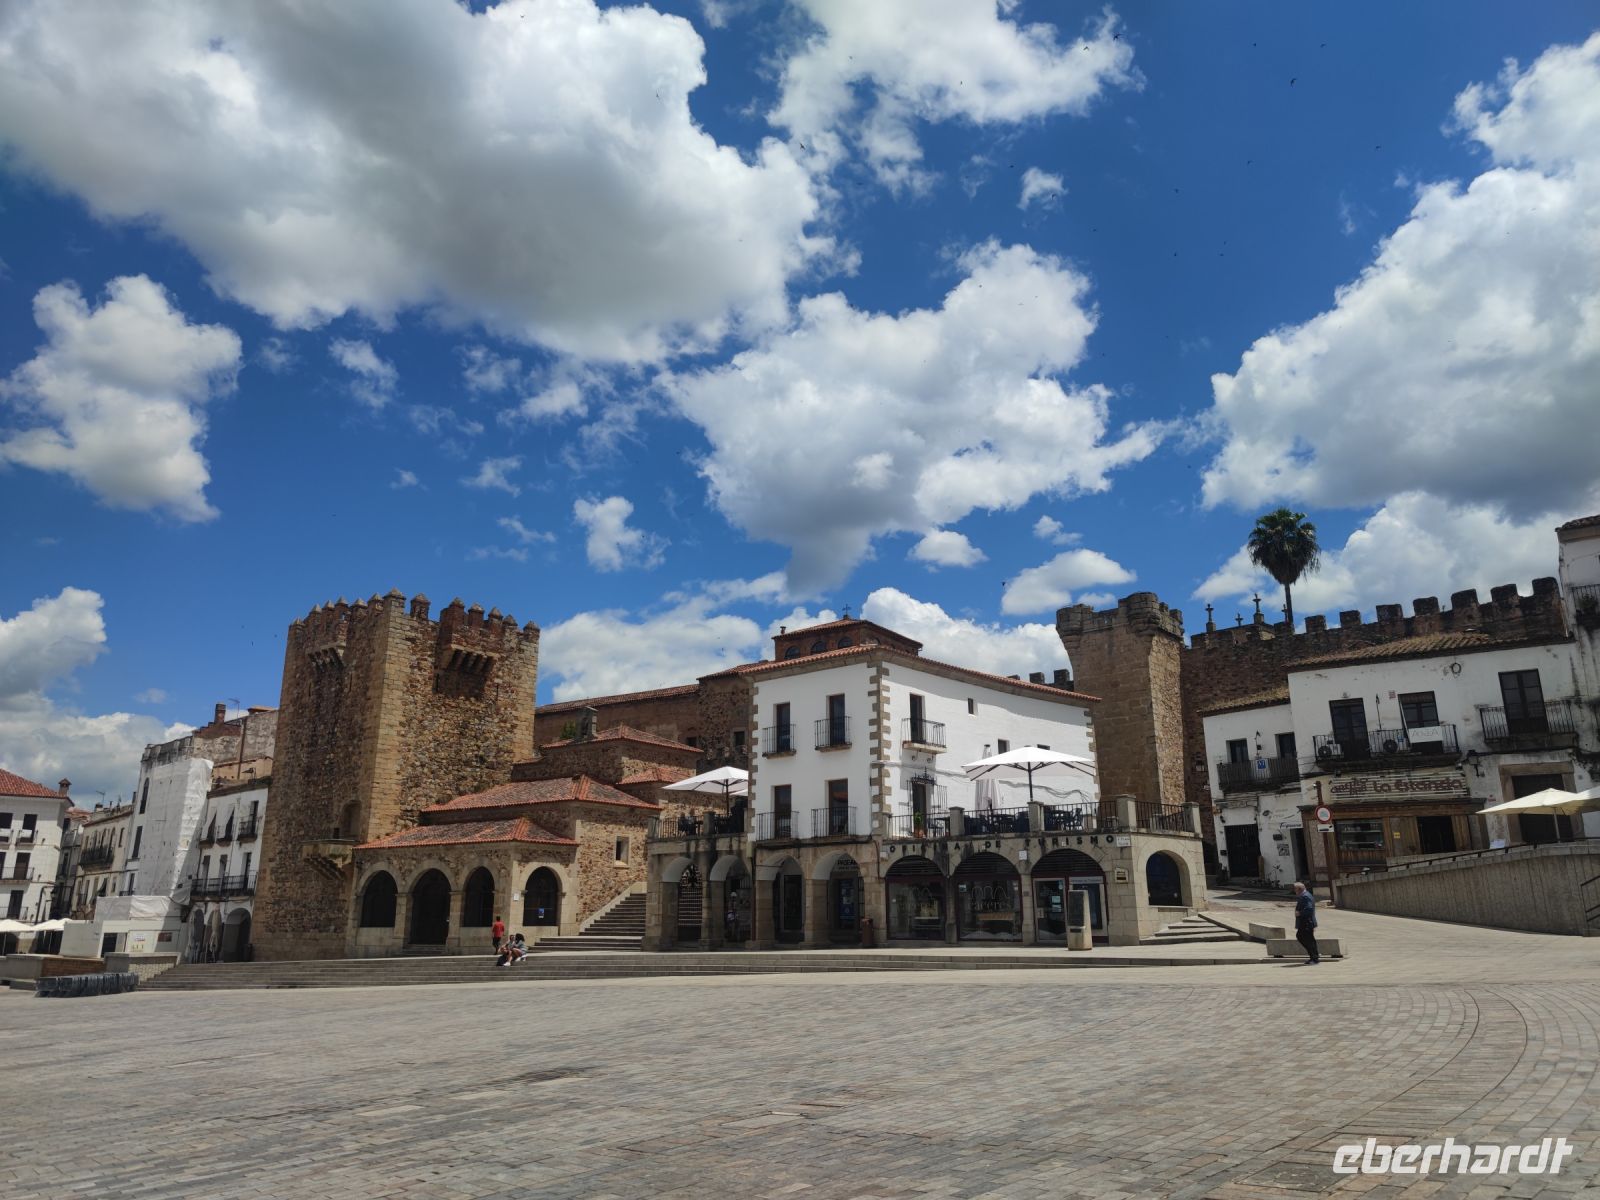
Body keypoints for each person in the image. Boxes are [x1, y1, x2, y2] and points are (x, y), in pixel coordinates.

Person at [1292, 881, 1320, 964]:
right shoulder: (1305, 895)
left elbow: (1309, 909)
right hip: (1306, 921)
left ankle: (1315, 958)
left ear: (1299, 889)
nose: (1294, 891)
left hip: (1307, 922)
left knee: (1306, 939)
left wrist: (1299, 913)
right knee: (1307, 938)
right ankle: (1314, 956)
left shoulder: (1305, 896)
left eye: (1295, 889)